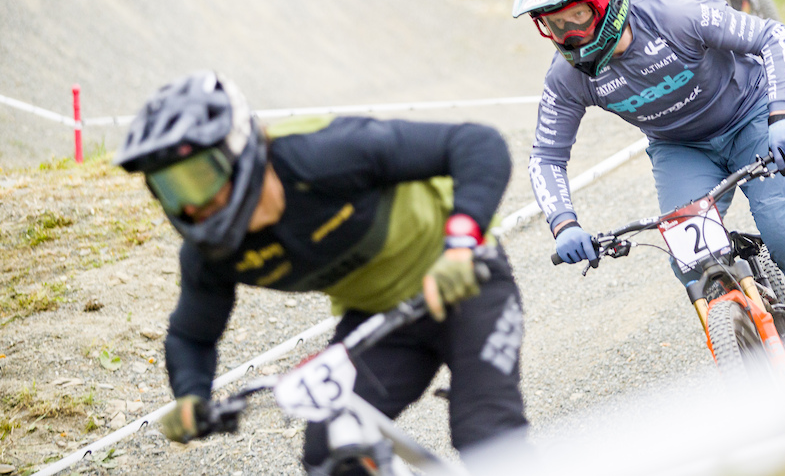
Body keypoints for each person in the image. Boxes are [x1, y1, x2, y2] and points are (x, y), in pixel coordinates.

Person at [113, 71, 528, 473]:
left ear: (237, 150)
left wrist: (460, 245)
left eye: (196, 178)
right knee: (330, 451)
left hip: (466, 283)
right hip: (382, 320)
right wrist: (190, 394)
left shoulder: (323, 156)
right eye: (169, 187)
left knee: (487, 434)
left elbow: (476, 143)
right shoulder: (211, 255)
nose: (189, 205)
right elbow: (191, 334)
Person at [511, 0, 785, 354]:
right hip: (680, 148)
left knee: (783, 232)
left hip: (749, 118)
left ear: (605, 0)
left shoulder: (676, 13)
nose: (569, 36)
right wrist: (564, 224)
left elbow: (774, 36)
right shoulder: (568, 77)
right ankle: (747, 342)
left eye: (577, 18)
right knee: (692, 264)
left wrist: (783, 115)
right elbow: (546, 156)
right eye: (554, 25)